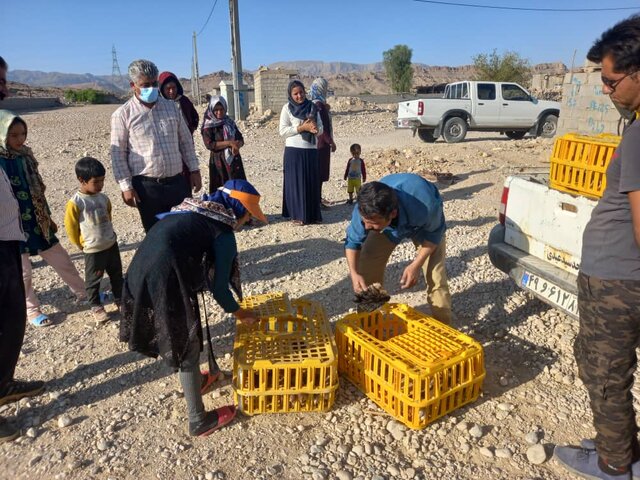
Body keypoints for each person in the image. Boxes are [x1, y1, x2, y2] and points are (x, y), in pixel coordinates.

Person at [554, 15, 640, 480]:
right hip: (621, 274)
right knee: (609, 374)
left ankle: (613, 466)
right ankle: (623, 446)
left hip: (617, 281)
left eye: (611, 80)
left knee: (604, 378)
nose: (605, 90)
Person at [120, 179, 268, 437]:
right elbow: (220, 288)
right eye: (248, 216)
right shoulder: (222, 233)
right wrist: (241, 314)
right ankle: (198, 420)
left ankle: (197, 382)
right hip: (163, 278)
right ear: (238, 210)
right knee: (186, 342)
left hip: (138, 272)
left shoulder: (194, 208)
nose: (246, 221)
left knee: (184, 334)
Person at [0, 110, 86, 327]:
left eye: (23, 134)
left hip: (37, 220)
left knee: (61, 259)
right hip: (11, 225)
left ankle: (83, 292)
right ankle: (31, 310)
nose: (20, 140)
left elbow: (37, 190)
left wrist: (46, 216)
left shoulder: (26, 155)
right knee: (24, 272)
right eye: (14, 135)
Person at [0, 56, 44, 444]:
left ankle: (3, 383)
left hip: (8, 239)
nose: (6, 90)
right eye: (0, 82)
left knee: (10, 320)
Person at [344, 173, 451, 324]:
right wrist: (354, 273)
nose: (367, 227)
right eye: (365, 221)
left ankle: (444, 329)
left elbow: (434, 236)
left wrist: (416, 265)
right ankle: (370, 322)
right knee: (367, 265)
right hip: (388, 228)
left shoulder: (426, 205)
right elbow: (352, 243)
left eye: (372, 223)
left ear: (392, 214)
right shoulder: (365, 209)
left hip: (424, 229)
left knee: (436, 277)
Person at [110, 59, 202, 233]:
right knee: (157, 236)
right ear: (133, 85)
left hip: (177, 183)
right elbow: (118, 154)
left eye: (154, 84)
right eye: (145, 85)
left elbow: (185, 141)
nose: (151, 88)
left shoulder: (171, 108)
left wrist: (194, 170)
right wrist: (126, 187)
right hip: (147, 188)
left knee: (184, 231)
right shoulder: (122, 115)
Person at [64, 157, 123, 324]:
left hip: (111, 244)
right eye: (96, 181)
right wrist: (81, 244)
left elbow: (109, 216)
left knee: (117, 275)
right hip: (93, 249)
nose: (100, 185)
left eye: (103, 180)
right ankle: (96, 306)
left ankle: (120, 300)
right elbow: (71, 227)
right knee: (93, 280)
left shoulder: (103, 198)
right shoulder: (76, 203)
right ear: (82, 180)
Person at [279, 79, 324, 225]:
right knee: (296, 184)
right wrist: (300, 128)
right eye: (295, 93)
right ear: (290, 95)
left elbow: (321, 129)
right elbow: (282, 131)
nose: (299, 96)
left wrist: (316, 129)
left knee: (311, 182)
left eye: (301, 92)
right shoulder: (286, 108)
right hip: (294, 152)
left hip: (310, 150)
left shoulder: (312, 108)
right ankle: (296, 215)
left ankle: (312, 215)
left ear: (305, 92)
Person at [201, 95, 246, 193]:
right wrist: (229, 143)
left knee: (236, 190)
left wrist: (237, 145)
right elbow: (210, 144)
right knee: (221, 190)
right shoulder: (208, 125)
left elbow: (240, 138)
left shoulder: (229, 122)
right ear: (211, 109)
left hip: (234, 161)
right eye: (216, 110)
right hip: (219, 162)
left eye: (222, 109)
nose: (219, 112)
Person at [310, 77, 336, 208]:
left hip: (318, 143)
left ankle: (317, 199)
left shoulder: (316, 103)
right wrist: (331, 142)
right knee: (319, 174)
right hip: (321, 144)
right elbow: (323, 127)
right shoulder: (318, 105)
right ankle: (317, 201)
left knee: (318, 174)